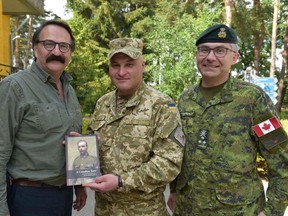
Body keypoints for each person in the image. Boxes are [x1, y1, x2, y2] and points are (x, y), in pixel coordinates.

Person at [168, 24, 288, 215]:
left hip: (239, 210)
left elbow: (281, 159)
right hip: (189, 208)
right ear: (197, 55)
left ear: (235, 57)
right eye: (204, 49)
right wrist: (174, 190)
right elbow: (177, 149)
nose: (210, 57)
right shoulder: (185, 99)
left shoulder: (253, 99)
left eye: (220, 51)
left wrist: (273, 210)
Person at [83, 38, 185, 215]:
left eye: (129, 64)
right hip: (104, 210)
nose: (121, 72)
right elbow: (94, 146)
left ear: (142, 65)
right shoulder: (103, 103)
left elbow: (169, 163)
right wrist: (80, 146)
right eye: (115, 65)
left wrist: (122, 181)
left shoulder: (161, 105)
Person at [0, 20, 87, 216]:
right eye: (49, 44)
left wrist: (79, 184)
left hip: (63, 196)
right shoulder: (14, 87)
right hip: (29, 198)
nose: (56, 51)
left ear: (71, 53)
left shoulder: (69, 90)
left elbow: (73, 139)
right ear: (35, 48)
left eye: (64, 46)